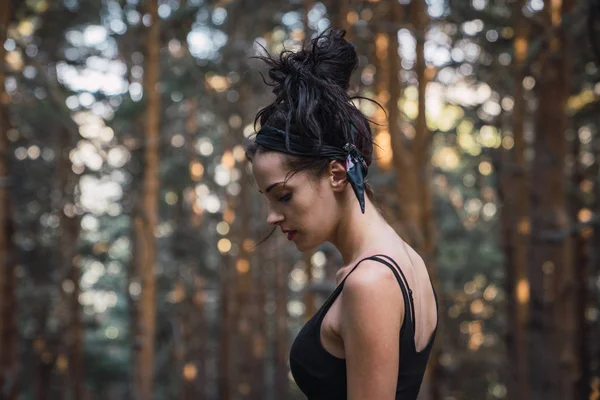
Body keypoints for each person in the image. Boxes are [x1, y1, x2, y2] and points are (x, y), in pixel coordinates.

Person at [244, 28, 438, 400]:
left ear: (336, 174)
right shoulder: (402, 260)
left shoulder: (371, 282)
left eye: (283, 196)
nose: (272, 216)